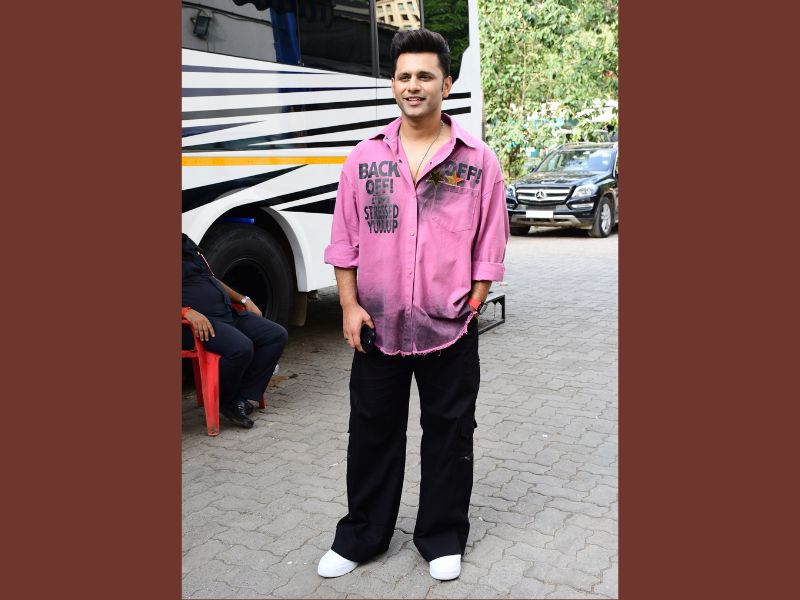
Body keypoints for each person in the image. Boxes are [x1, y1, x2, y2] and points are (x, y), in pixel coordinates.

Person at [318, 29, 509, 581]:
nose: (413, 85)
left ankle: (442, 536)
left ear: (446, 85)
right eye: (404, 76)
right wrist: (349, 306)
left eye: (425, 75)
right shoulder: (364, 159)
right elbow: (345, 241)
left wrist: (476, 299)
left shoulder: (478, 161)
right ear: (393, 84)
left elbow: (490, 240)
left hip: (450, 325)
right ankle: (362, 536)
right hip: (378, 326)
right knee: (371, 432)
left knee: (450, 432)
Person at [181, 233, 288, 429]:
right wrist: (185, 312)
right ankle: (226, 400)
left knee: (275, 335)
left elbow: (211, 279)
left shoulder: (187, 245)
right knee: (241, 347)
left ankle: (241, 396)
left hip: (226, 314)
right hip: (196, 325)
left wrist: (243, 299)